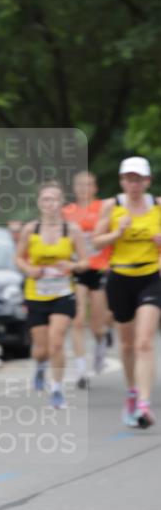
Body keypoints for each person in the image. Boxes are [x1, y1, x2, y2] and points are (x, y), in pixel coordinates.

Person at [93, 157, 161, 428]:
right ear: (123, 181)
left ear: (147, 181)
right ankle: (132, 391)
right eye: (129, 179)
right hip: (120, 277)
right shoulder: (113, 206)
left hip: (151, 276)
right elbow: (96, 242)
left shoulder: (157, 206)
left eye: (139, 179)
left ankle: (144, 403)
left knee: (145, 341)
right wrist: (116, 234)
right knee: (128, 343)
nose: (134, 184)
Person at [16, 181, 88, 409]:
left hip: (63, 293)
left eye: (55, 199)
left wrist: (72, 265)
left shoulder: (72, 230)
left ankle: (56, 390)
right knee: (41, 349)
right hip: (36, 293)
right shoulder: (30, 229)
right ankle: (40, 366)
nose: (50, 204)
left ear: (62, 203)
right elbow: (18, 258)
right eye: (46, 199)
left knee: (56, 342)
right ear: (39, 202)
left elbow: (86, 262)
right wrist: (29, 270)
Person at [63, 172, 111, 387]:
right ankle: (82, 370)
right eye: (79, 184)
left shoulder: (104, 208)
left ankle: (101, 343)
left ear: (95, 187)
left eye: (88, 184)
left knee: (97, 324)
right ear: (74, 188)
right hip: (77, 268)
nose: (84, 188)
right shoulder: (67, 212)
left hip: (100, 267)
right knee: (78, 319)